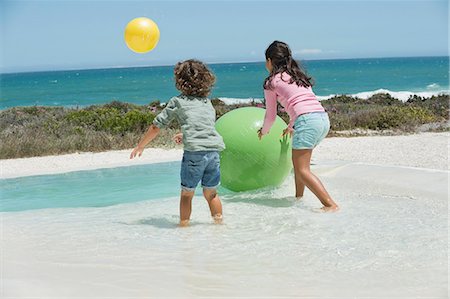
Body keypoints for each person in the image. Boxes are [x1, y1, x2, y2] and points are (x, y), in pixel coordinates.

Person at [130, 59, 225, 226]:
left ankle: (184, 228)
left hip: (194, 154)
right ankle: (219, 226)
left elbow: (156, 126)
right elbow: (204, 126)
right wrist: (185, 133)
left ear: (180, 81)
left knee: (187, 194)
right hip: (213, 153)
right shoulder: (207, 102)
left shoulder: (178, 101)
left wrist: (141, 145)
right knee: (211, 194)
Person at [257, 41, 339, 212]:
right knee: (300, 166)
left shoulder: (271, 82)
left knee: (302, 170)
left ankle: (329, 204)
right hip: (322, 120)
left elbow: (271, 115)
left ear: (270, 61)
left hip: (307, 121)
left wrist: (263, 131)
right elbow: (302, 102)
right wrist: (292, 124)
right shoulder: (297, 76)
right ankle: (298, 197)